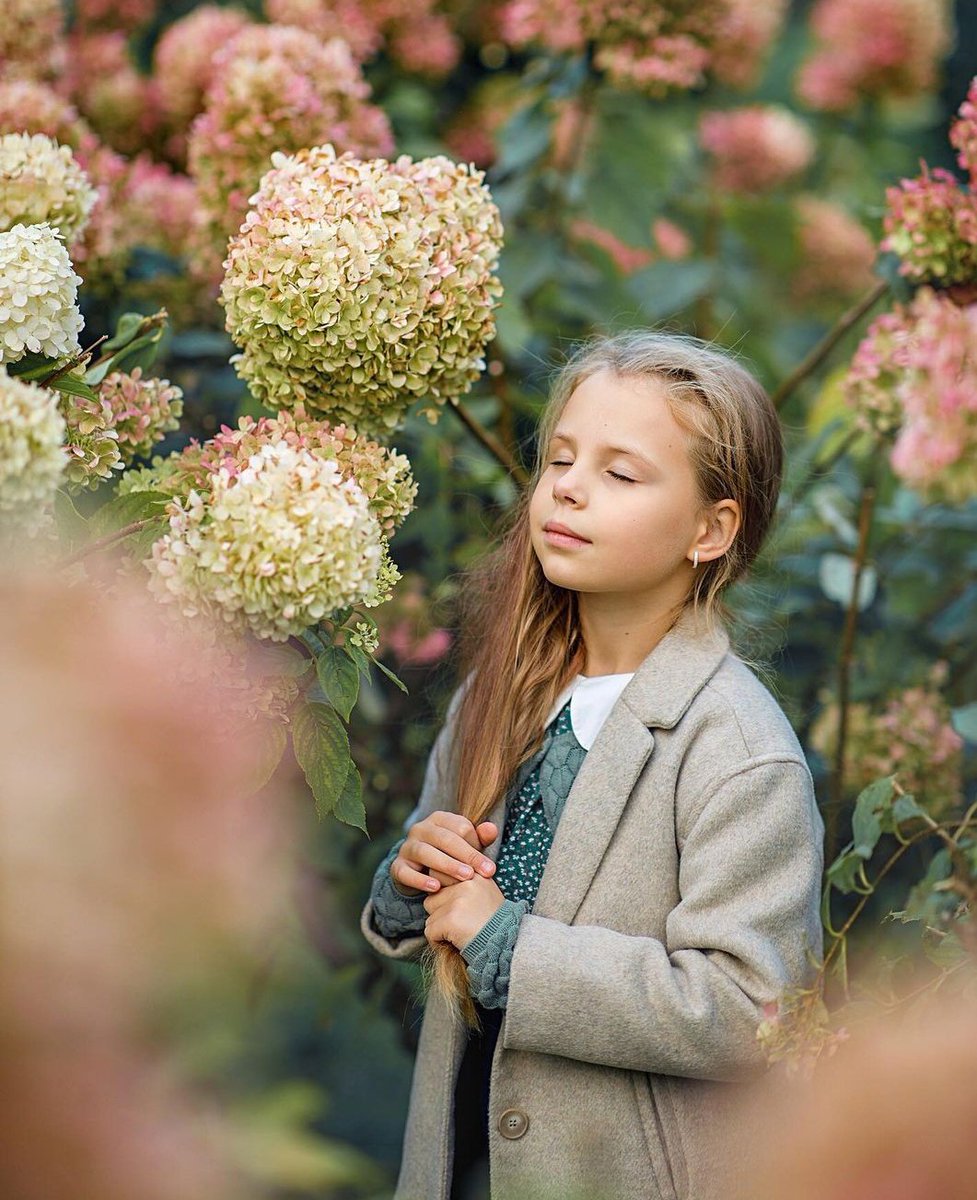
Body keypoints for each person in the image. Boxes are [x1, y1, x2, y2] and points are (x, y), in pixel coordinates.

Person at [360, 329, 826, 1200]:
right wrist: (407, 880)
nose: (567, 488)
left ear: (709, 530)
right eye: (558, 459)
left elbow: (745, 1009)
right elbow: (435, 902)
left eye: (619, 473)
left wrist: (509, 946)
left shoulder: (738, 751)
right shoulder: (496, 695)